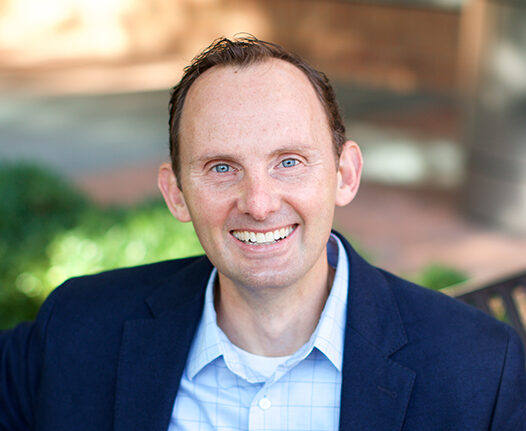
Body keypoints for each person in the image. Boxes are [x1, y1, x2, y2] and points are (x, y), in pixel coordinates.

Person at [1, 36, 525, 431]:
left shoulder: (480, 370)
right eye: (222, 167)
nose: (258, 203)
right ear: (177, 192)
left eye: (289, 161)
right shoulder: (77, 329)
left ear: (345, 174)